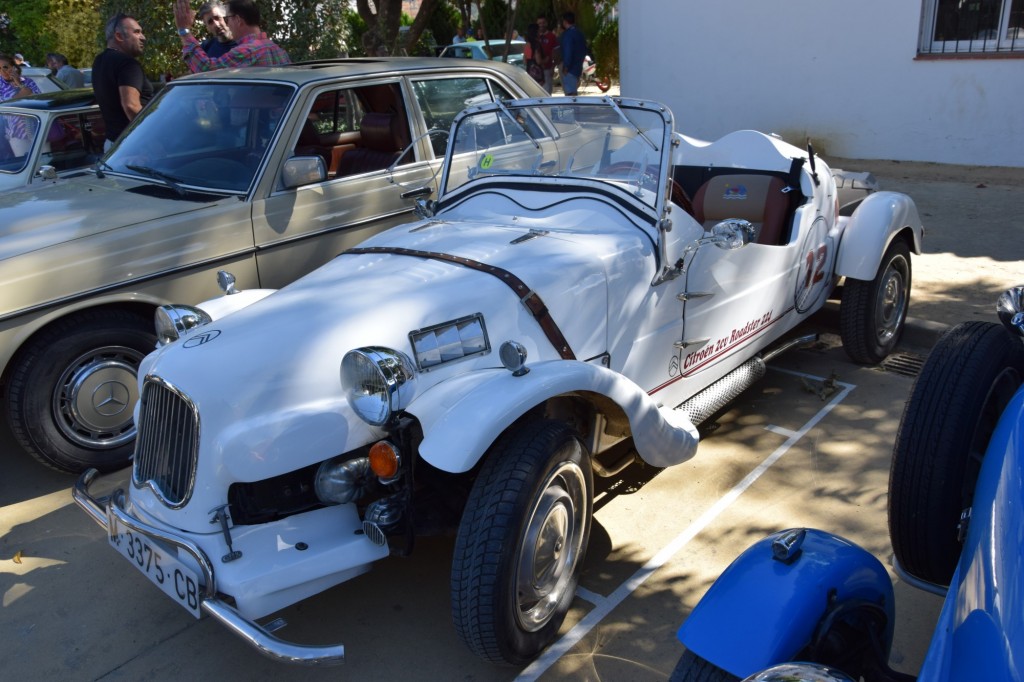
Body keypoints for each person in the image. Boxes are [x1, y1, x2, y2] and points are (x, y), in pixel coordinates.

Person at [92, 13, 154, 150]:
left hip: (112, 146)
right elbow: (131, 106)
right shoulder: (127, 63)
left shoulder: (99, 61)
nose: (143, 37)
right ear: (119, 36)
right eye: (136, 32)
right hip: (134, 146)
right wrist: (154, 136)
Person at [175, 0, 291, 72]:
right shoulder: (279, 51)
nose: (227, 24)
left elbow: (207, 69)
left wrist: (184, 31)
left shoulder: (245, 52)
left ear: (238, 20)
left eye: (227, 19)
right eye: (210, 22)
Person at [0, 54, 42, 156]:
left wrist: (19, 83)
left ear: (13, 66)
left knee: (43, 159)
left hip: (38, 128)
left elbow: (38, 99)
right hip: (15, 132)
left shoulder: (27, 81)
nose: (3, 71)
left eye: (5, 67)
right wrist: (23, 93)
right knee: (23, 160)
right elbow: (7, 104)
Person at [558, 11, 586, 96]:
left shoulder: (568, 35)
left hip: (570, 69)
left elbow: (568, 51)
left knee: (570, 94)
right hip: (578, 67)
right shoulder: (579, 33)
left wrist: (566, 67)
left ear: (565, 22)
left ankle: (574, 109)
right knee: (573, 92)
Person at [536, 15, 558, 95]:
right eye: (539, 23)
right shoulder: (534, 37)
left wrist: (553, 66)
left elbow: (555, 53)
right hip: (535, 71)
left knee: (547, 93)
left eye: (543, 23)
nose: (541, 25)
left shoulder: (552, 36)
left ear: (547, 23)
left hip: (547, 69)